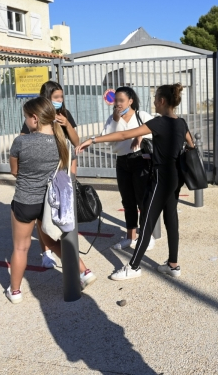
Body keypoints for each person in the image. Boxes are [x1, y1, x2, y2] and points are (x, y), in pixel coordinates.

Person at [77, 83, 194, 280]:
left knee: (147, 220)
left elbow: (123, 134)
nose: (154, 102)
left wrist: (93, 140)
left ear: (163, 101)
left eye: (156, 98)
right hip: (175, 177)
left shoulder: (158, 122)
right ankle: (173, 265)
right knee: (171, 220)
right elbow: (191, 144)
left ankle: (134, 266)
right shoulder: (181, 122)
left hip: (161, 178)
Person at [6, 97, 96, 304]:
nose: (26, 121)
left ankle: (15, 291)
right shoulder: (63, 143)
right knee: (51, 240)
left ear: (35, 118)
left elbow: (14, 171)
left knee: (21, 247)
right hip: (52, 202)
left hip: (25, 201)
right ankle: (84, 271)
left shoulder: (21, 141)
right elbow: (68, 172)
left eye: (26, 117)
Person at [20, 80, 79, 269]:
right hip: (44, 172)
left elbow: (76, 142)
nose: (60, 100)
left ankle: (66, 247)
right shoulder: (36, 117)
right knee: (43, 213)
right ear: (47, 98)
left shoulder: (65, 114)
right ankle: (46, 252)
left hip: (64, 169)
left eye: (61, 97)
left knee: (62, 209)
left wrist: (67, 124)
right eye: (55, 97)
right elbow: (24, 140)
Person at [101, 86, 155, 250]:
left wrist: (140, 134)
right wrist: (116, 120)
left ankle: (147, 235)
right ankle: (130, 236)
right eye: (116, 100)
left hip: (140, 160)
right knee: (127, 201)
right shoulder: (112, 119)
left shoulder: (142, 115)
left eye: (121, 100)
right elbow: (108, 140)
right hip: (122, 162)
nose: (117, 103)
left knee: (142, 200)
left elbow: (155, 130)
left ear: (130, 101)